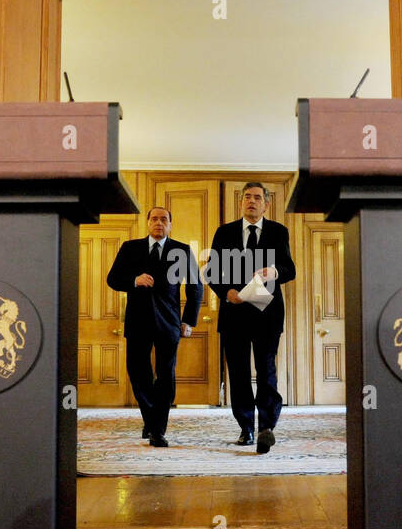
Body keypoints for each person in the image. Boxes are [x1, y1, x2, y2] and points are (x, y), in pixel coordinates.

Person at [205, 182, 296, 454]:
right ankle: (246, 427)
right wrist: (226, 292)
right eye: (247, 197)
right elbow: (211, 272)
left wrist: (274, 272)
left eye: (257, 198)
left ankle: (266, 427)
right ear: (241, 202)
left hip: (267, 314)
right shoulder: (225, 232)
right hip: (235, 314)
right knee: (239, 373)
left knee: (267, 370)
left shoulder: (279, 231)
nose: (252, 202)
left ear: (266, 204)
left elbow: (289, 269)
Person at [106, 206, 202, 448]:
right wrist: (133, 280)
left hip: (169, 323)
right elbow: (113, 279)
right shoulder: (130, 248)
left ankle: (157, 430)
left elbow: (195, 287)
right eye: (155, 219)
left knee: (165, 376)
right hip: (137, 321)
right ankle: (151, 420)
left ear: (170, 224)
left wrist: (189, 320)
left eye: (164, 219)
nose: (159, 223)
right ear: (147, 223)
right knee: (138, 373)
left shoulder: (181, 250)